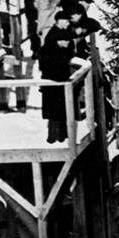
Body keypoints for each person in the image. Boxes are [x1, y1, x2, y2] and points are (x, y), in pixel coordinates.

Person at [38, 9, 79, 143]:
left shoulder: (58, 34)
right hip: (54, 79)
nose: (67, 23)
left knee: (58, 111)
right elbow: (58, 55)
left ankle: (60, 136)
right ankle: (55, 138)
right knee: (55, 111)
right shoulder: (54, 36)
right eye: (66, 21)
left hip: (57, 78)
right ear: (59, 21)